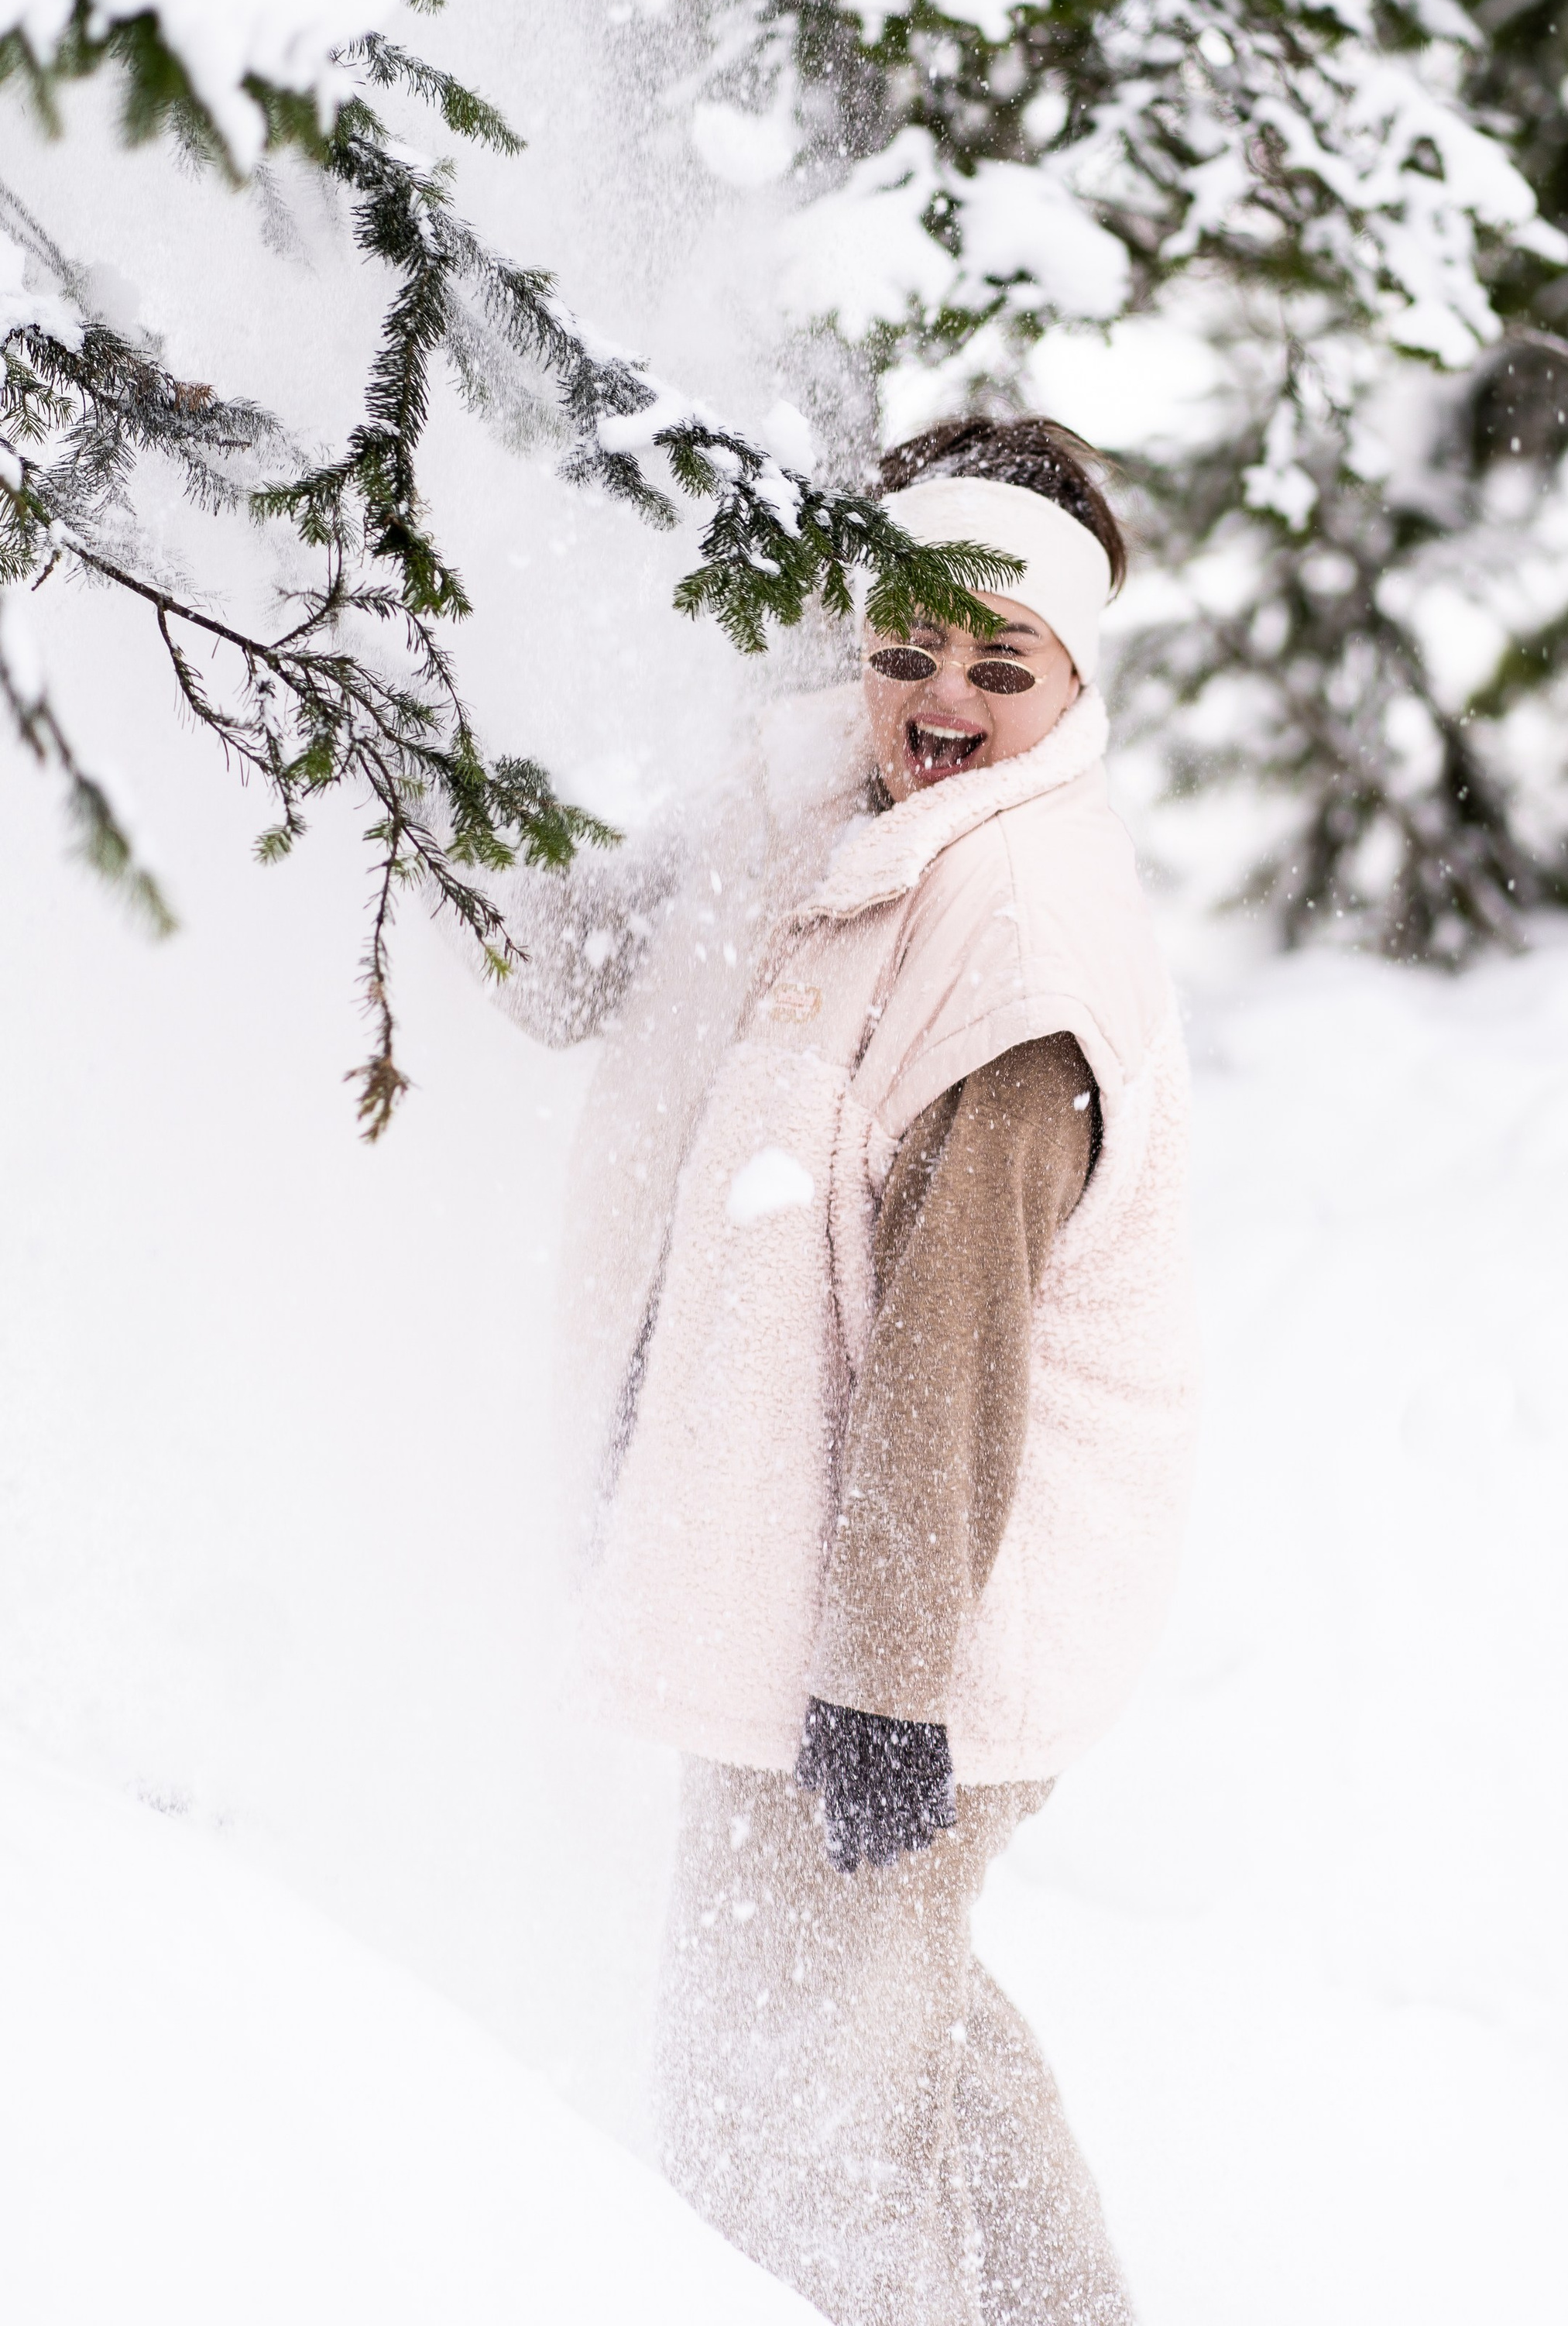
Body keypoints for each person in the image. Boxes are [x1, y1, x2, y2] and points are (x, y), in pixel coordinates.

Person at [523, 416, 1197, 2326]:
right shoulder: (818, 809)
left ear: (1072, 682)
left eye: (1002, 665)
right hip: (816, 1583)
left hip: (922, 1620)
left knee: (796, 2112)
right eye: (909, 649)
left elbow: (953, 1343)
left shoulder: (1019, 933)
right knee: (882, 2017)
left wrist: (885, 1691)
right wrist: (428, 784)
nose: (943, 701)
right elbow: (570, 965)